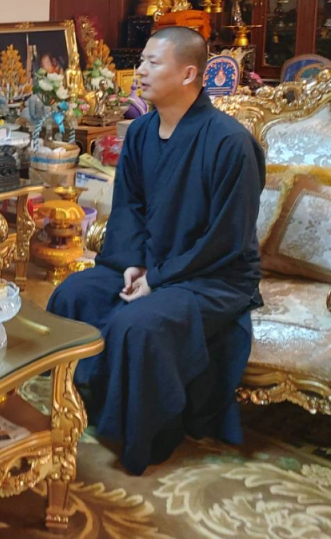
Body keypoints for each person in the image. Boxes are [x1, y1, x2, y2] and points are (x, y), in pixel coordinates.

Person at [47, 26, 265, 475]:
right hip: (148, 260)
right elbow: (130, 208)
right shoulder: (142, 131)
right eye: (142, 60)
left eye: (152, 62)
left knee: (137, 323)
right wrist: (133, 264)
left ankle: (143, 436)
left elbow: (226, 237)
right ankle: (83, 406)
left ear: (188, 74)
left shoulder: (230, 143)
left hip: (213, 275)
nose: (140, 71)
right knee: (74, 294)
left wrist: (159, 279)